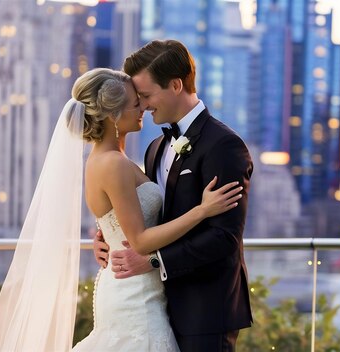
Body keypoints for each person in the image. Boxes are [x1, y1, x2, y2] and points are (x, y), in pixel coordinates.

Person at [0, 68, 242, 351]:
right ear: (112, 116)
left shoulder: (116, 158)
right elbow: (141, 241)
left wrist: (107, 233)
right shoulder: (113, 164)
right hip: (134, 296)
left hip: (138, 288)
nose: (142, 107)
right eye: (135, 103)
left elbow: (121, 219)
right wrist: (202, 211)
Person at [93, 40, 253, 351]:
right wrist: (109, 234)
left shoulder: (224, 146)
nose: (142, 104)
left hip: (203, 310)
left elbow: (224, 237)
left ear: (176, 85)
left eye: (146, 95)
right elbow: (152, 214)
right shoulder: (155, 148)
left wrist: (154, 261)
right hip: (155, 307)